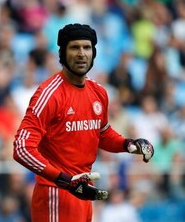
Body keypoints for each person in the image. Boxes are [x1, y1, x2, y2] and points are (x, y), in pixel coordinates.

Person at [12, 23, 155, 222]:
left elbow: (102, 133)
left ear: (94, 53)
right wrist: (62, 179)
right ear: (62, 53)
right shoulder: (49, 94)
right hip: (55, 193)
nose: (81, 53)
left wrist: (129, 145)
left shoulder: (99, 92)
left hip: (83, 191)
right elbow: (21, 148)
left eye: (86, 48)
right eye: (74, 47)